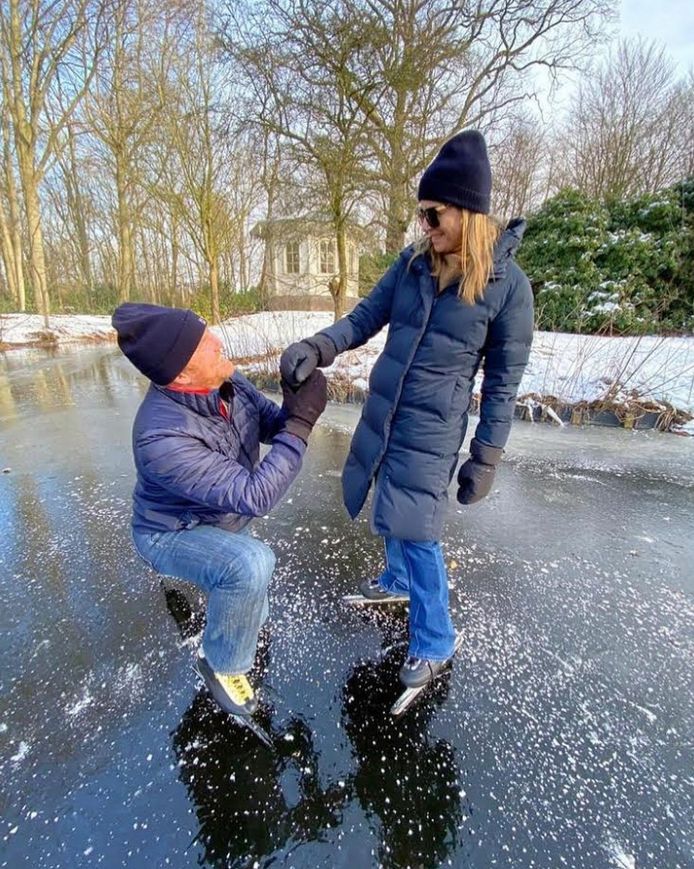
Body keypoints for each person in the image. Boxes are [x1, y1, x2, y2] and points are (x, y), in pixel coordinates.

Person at [281, 130, 533, 690]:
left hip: (435, 427)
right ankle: (396, 579)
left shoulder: (507, 286)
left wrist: (485, 458)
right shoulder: (413, 264)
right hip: (387, 408)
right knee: (389, 503)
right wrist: (316, 347)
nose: (425, 223)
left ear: (465, 210)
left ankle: (436, 639)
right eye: (421, 213)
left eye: (433, 213)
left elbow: (503, 384)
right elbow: (363, 318)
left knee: (418, 530)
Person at [112, 302, 327, 716]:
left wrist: (295, 399)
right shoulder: (161, 436)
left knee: (250, 597)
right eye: (203, 343)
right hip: (171, 532)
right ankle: (222, 665)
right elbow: (256, 495)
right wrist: (301, 425)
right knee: (249, 566)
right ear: (181, 373)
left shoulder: (227, 382)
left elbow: (270, 425)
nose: (216, 341)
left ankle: (232, 623)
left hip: (220, 518)